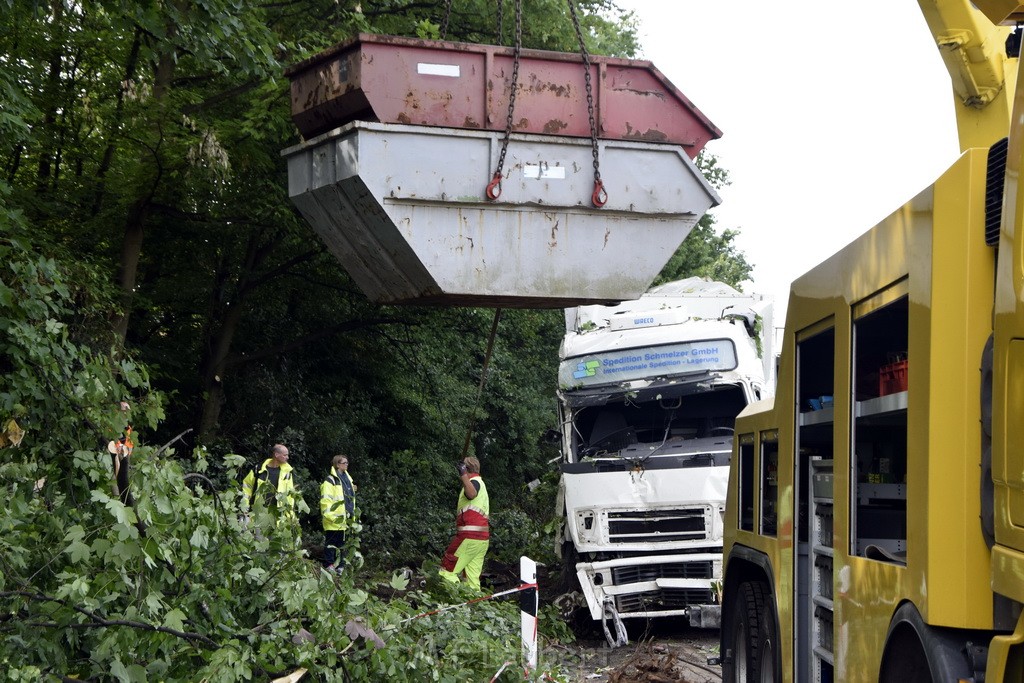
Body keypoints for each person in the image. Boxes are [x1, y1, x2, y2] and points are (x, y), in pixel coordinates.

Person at [438, 456, 489, 591]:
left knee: (447, 571)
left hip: (469, 536)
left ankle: (454, 602)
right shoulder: (481, 484)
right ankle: (474, 607)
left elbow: (471, 493)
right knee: (472, 581)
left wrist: (463, 475)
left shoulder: (474, 482)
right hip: (481, 539)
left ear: (466, 469)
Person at [241, 444, 297, 524]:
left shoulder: (287, 472)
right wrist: (245, 506)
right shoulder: (259, 469)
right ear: (276, 455)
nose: (287, 457)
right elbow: (247, 487)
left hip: (277, 517)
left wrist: (290, 515)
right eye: (285, 455)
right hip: (258, 515)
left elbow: (290, 497)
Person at [320, 454, 357, 573]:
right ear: (337, 464)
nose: (346, 465)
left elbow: (350, 498)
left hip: (345, 517)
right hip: (333, 517)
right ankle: (329, 564)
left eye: (347, 463)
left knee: (342, 544)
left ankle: (340, 565)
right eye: (344, 463)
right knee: (331, 543)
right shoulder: (330, 480)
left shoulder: (347, 479)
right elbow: (326, 499)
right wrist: (329, 516)